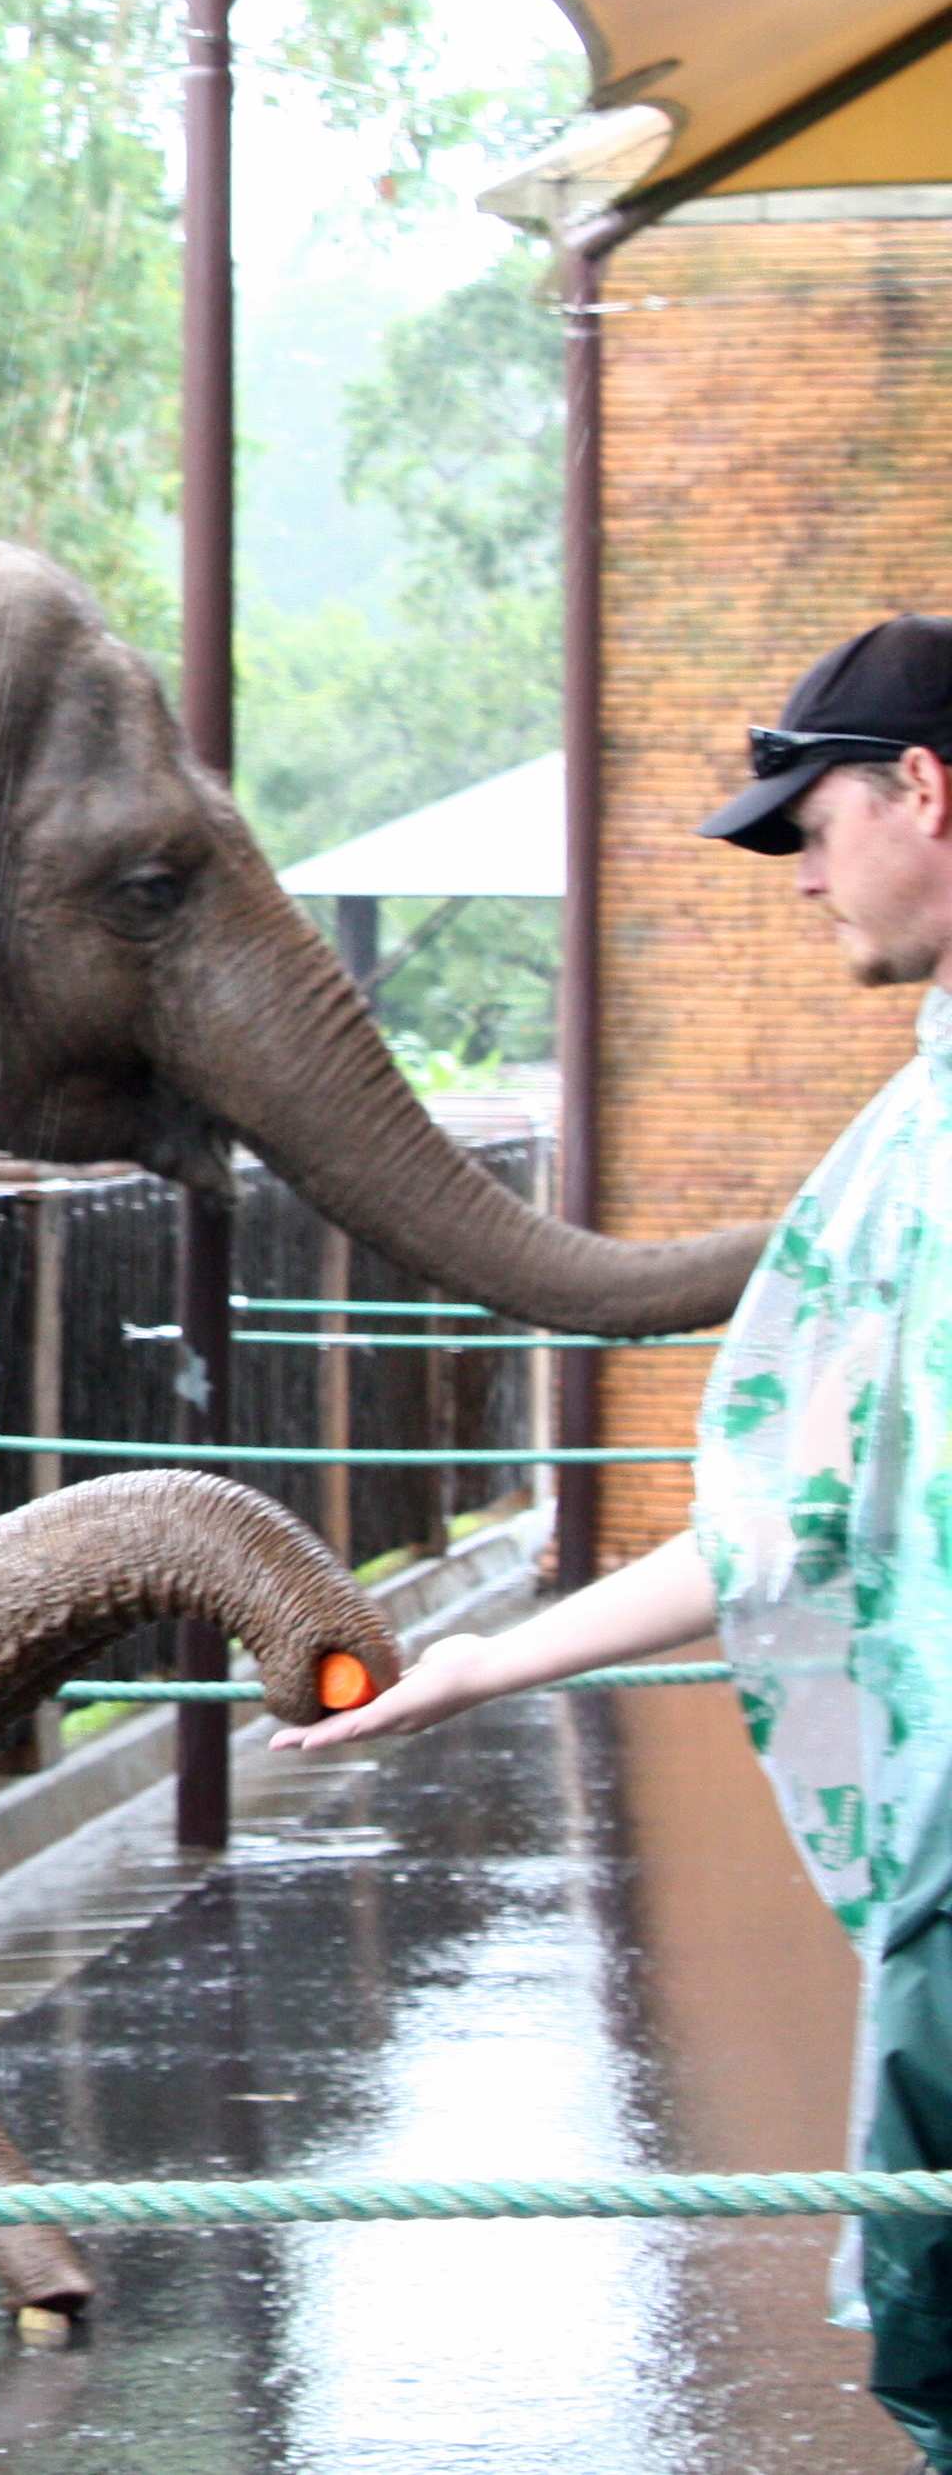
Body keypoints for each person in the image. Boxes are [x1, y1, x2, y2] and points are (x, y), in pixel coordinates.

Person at [283, 610, 952, 2465]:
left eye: (810, 827)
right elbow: (784, 1521)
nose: (802, 878)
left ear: (926, 789)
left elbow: (780, 1519)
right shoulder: (911, 1139)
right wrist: (486, 1659)